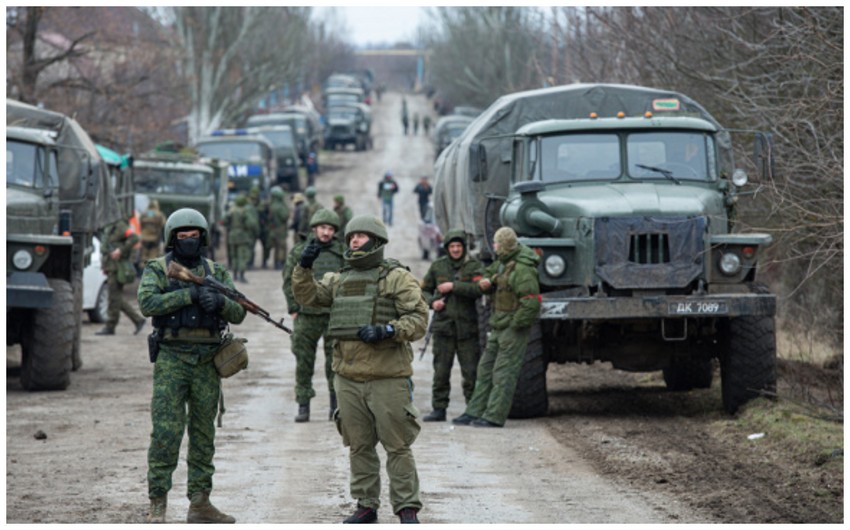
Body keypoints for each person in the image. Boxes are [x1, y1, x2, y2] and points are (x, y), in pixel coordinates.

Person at [292, 215, 428, 524]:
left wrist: (388, 331)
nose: (354, 240)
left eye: (362, 236)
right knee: (359, 445)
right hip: (348, 378)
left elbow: (419, 319)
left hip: (387, 377)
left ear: (377, 242)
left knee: (397, 445)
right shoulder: (338, 278)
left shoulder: (395, 277)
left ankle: (407, 507)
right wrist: (304, 268)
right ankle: (366, 505)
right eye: (352, 236)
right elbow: (309, 297)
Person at [137, 208, 247, 524]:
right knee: (166, 432)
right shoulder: (158, 269)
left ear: (203, 238)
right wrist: (190, 295)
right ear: (172, 239)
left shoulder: (216, 271)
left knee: (203, 434)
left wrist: (219, 302)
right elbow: (148, 304)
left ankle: (200, 503)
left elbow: (240, 311)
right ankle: (157, 503)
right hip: (172, 358)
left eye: (193, 236)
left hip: (207, 362)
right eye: (182, 237)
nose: (188, 241)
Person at [453, 227, 540, 428]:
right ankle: (474, 411)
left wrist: (515, 324)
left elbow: (531, 303)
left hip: (511, 327)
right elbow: (489, 274)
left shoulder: (523, 269)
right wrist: (487, 280)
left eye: (497, 243)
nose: (494, 246)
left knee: (503, 373)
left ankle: (494, 416)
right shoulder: (502, 263)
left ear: (505, 245)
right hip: (499, 324)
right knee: (485, 369)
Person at [283, 209, 345, 423]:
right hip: (306, 315)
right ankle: (303, 405)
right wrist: (293, 307)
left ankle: (335, 407)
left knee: (336, 362)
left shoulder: (342, 252)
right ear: (314, 229)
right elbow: (288, 279)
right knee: (303, 362)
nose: (326, 233)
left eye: (330, 229)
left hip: (333, 315)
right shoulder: (300, 251)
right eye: (323, 228)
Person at [420, 229, 484, 422]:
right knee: (441, 371)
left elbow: (479, 290)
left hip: (467, 329)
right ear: (447, 248)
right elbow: (423, 291)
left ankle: (473, 410)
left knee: (471, 372)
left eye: (458, 246)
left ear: (464, 248)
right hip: (443, 328)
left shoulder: (473, 266)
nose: (455, 250)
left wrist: (454, 287)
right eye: (452, 246)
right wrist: (432, 303)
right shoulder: (438, 266)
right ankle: (439, 409)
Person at [96, 214, 146, 336]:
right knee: (115, 298)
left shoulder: (119, 225)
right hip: (111, 267)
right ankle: (136, 320)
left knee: (114, 298)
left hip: (118, 268)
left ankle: (111, 325)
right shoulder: (109, 227)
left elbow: (134, 237)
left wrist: (121, 250)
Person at [224, 194, 257, 283]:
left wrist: (230, 226)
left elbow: (224, 221)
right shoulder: (244, 211)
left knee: (234, 256)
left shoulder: (231, 210)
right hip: (242, 235)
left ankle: (234, 275)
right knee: (242, 256)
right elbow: (251, 224)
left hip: (232, 235)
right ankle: (241, 276)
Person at [267, 186, 291, 270]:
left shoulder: (271, 205)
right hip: (280, 228)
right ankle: (280, 262)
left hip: (273, 228)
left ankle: (276, 262)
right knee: (281, 246)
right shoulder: (280, 206)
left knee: (276, 247)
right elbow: (285, 216)